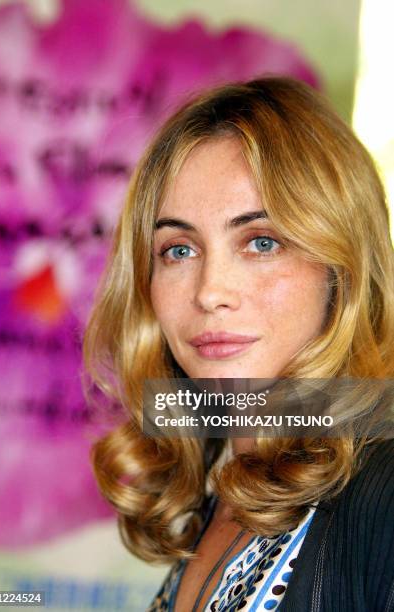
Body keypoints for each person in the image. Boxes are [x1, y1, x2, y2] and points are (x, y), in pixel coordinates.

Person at [82, 77, 394, 611]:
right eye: (178, 250)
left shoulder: (383, 495)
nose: (210, 292)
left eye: (262, 242)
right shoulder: (219, 491)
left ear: (342, 269)